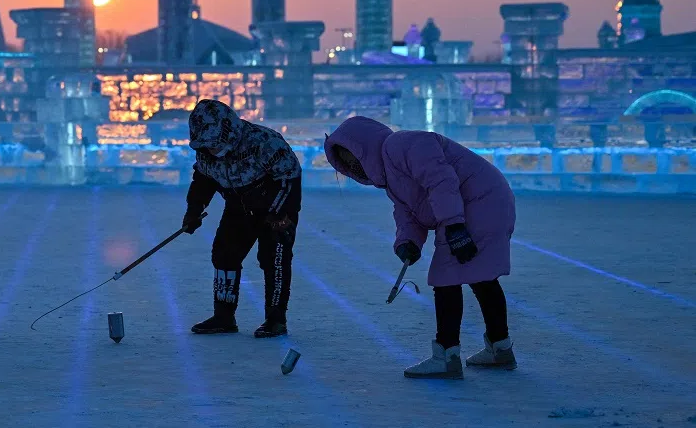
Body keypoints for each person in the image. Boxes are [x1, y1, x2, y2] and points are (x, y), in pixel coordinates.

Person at [324, 116, 517, 379]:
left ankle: (446, 356)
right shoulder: (391, 178)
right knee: (480, 277)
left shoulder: (401, 144)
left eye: (352, 157)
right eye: (346, 164)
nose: (353, 166)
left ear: (363, 146)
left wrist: (453, 224)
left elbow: (441, 180)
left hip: (477, 202)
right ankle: (500, 347)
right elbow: (409, 213)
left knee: (446, 278)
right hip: (479, 202)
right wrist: (408, 242)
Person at [182, 99, 302, 338]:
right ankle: (224, 316)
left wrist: (279, 215)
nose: (210, 150)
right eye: (205, 145)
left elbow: (290, 176)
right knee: (224, 253)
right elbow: (204, 179)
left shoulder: (264, 142)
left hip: (275, 206)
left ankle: (275, 320)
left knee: (274, 260)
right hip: (238, 205)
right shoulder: (205, 151)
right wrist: (194, 209)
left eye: (213, 144)